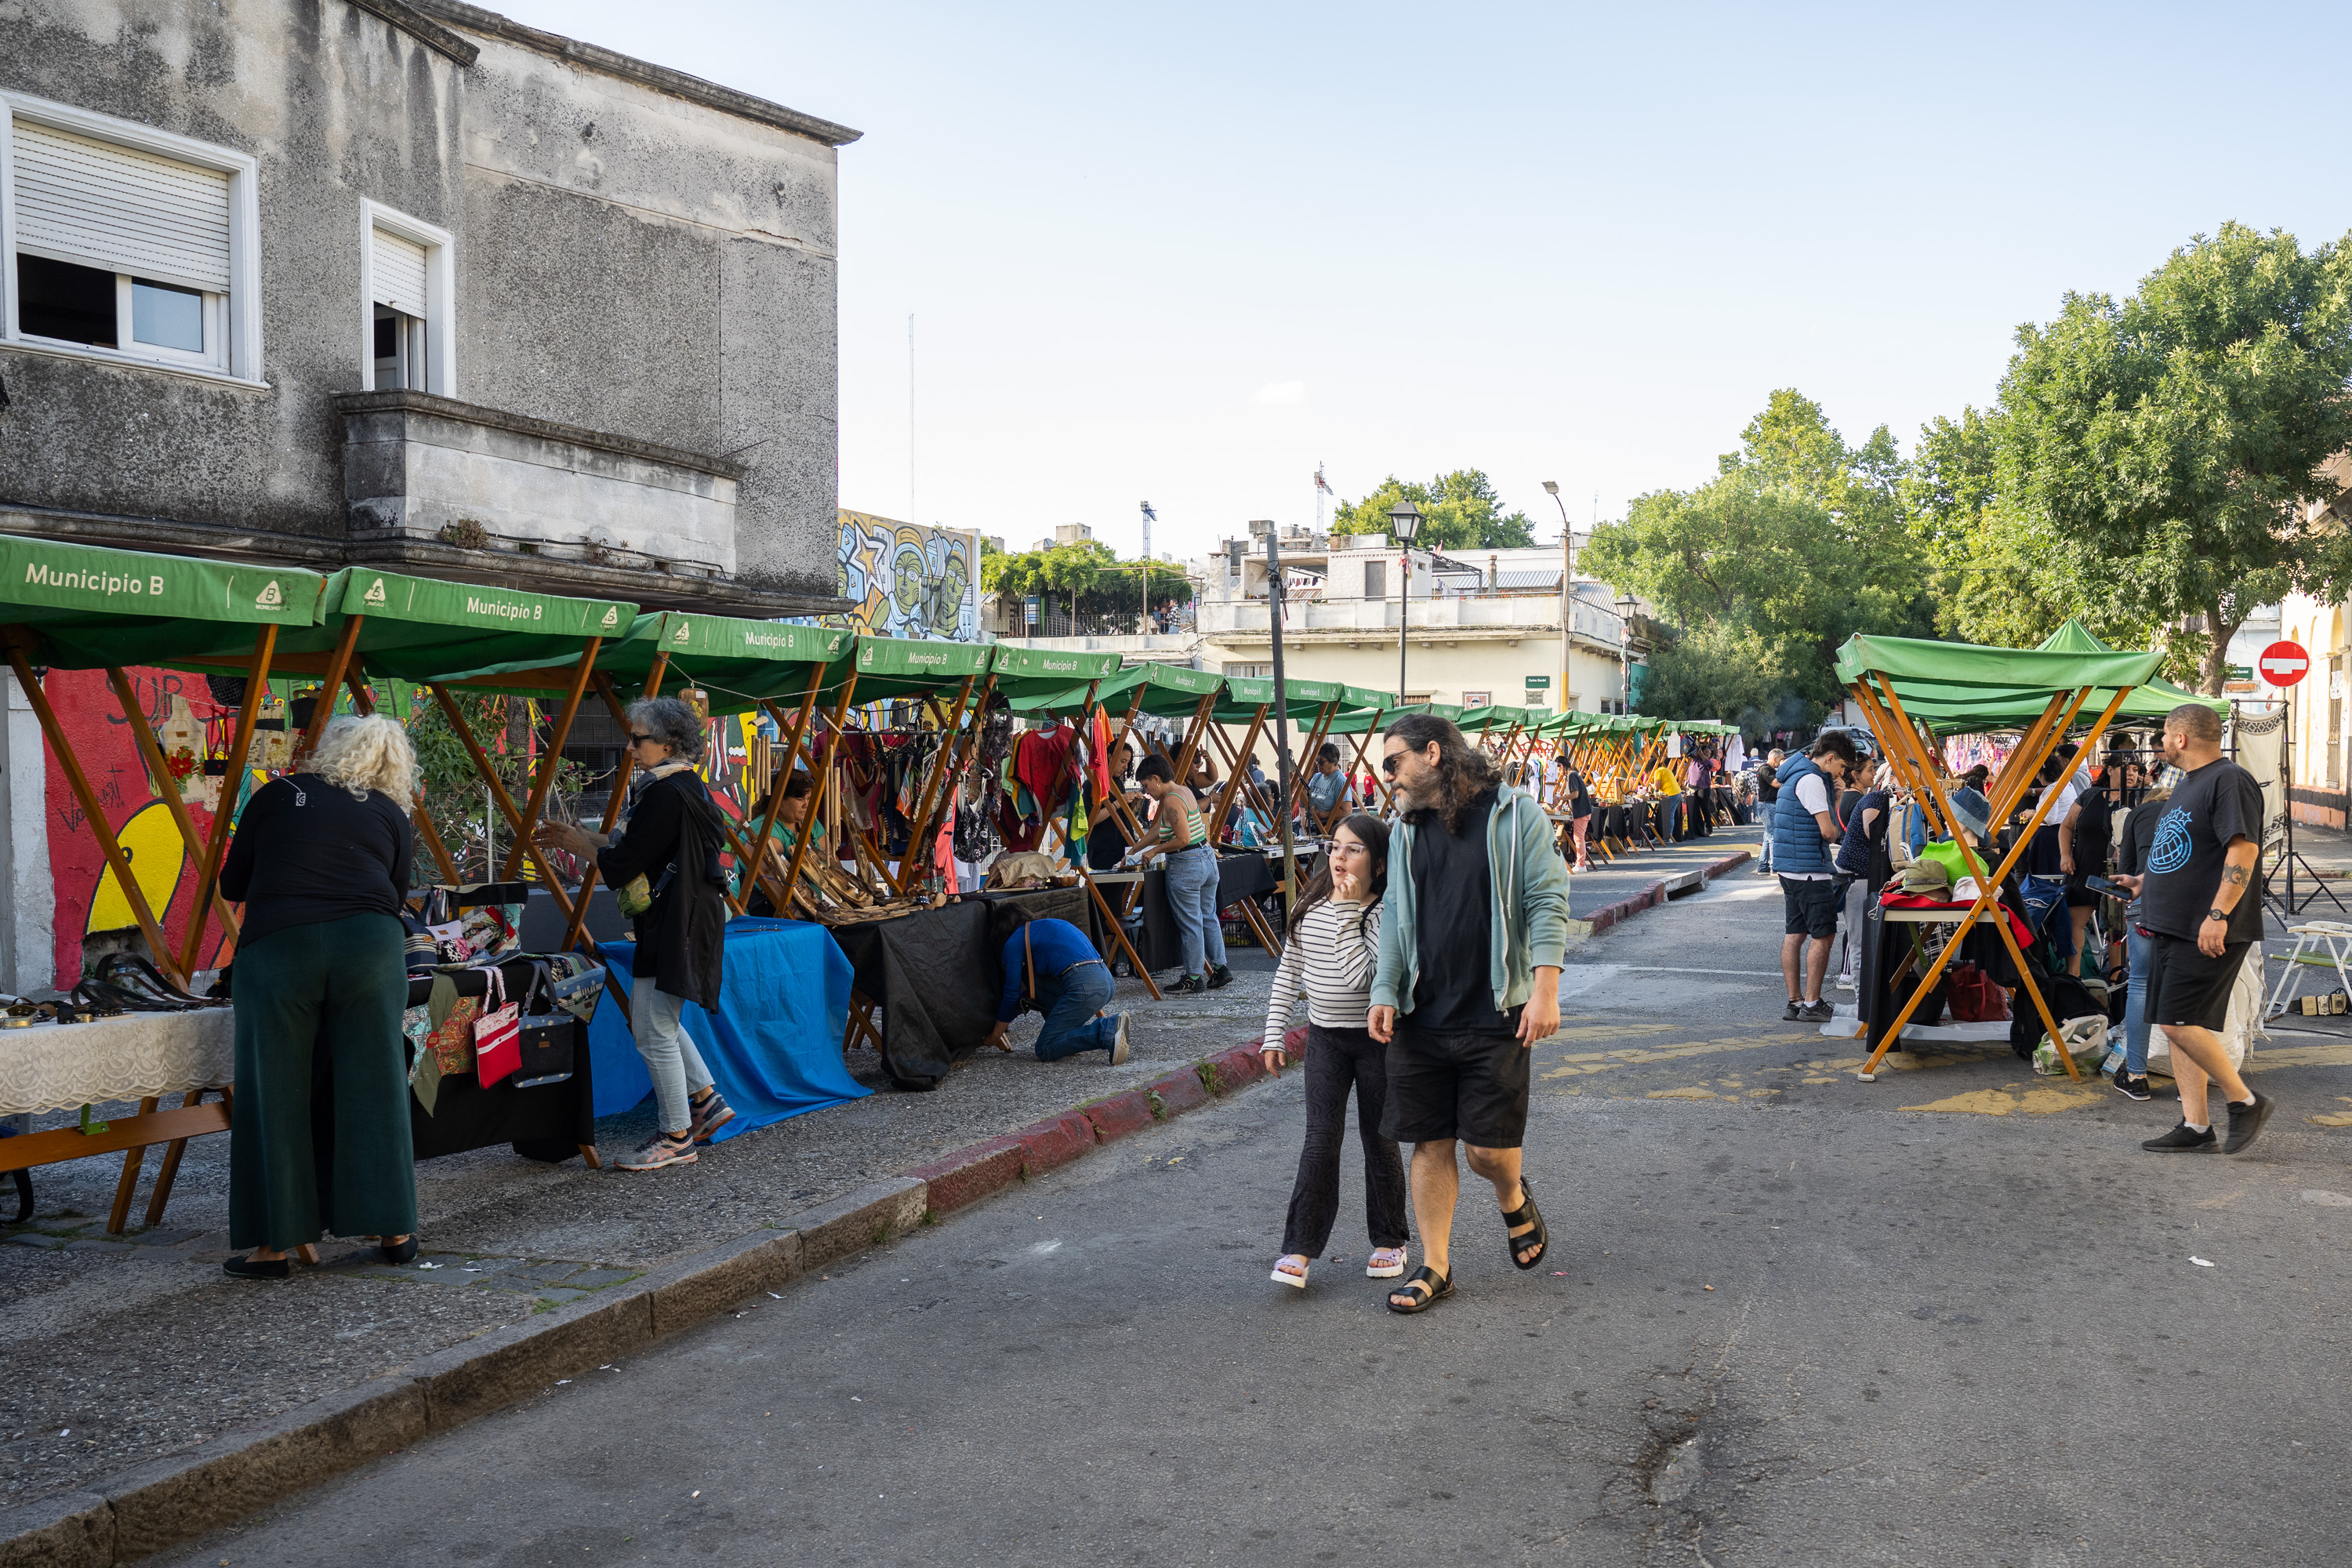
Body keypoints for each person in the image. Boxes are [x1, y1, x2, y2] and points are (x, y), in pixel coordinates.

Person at [1367, 714, 1570, 1314]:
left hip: (1495, 1009)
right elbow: (1398, 912)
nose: (1390, 777)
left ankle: (1511, 1195)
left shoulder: (1516, 817)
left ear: (1433, 754)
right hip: (1422, 1013)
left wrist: (1546, 990)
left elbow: (1547, 899)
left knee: (1486, 1152)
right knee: (1429, 1142)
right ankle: (1436, 1266)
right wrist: (1385, 988)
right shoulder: (1405, 829)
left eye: (1394, 761)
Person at [220, 715, 421, 1279]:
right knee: (377, 1080)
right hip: (371, 948)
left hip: (282, 944)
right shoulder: (391, 812)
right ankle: (395, 1230)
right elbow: (397, 893)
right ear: (396, 767)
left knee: (274, 1089)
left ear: (328, 749)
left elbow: (233, 885)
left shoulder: (279, 793)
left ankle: (273, 1248)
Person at [537, 697, 734, 1171]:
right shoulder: (683, 786)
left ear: (668, 742)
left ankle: (676, 1136)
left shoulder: (666, 792)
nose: (628, 747)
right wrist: (588, 840)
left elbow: (622, 866)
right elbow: (638, 845)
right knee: (658, 1024)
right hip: (679, 918)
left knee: (653, 1031)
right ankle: (705, 1101)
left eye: (638, 738)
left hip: (675, 922)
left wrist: (580, 846)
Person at [2112, 704, 2274, 1154]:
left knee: (2178, 1023)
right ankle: (2196, 1126)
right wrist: (2145, 882)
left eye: (2165, 734)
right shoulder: (2190, 784)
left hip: (2206, 928)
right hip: (2172, 924)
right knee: (2178, 1025)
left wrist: (2218, 915)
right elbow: (2190, 851)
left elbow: (2242, 852)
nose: (2161, 743)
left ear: (2181, 738)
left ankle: (2245, 1100)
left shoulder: (2229, 780)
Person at [1260, 815, 1406, 1289]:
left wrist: (1348, 914)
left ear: (1379, 864)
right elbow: (1290, 970)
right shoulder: (1313, 905)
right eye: (1335, 846)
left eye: (1354, 849)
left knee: (1379, 1139)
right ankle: (1299, 1247)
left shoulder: (1384, 913)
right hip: (1325, 1039)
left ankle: (1389, 1239)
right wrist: (1274, 1032)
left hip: (1376, 1041)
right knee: (1320, 1139)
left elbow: (1359, 978)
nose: (1339, 857)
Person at [1772, 731, 1857, 1023]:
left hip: (1789, 868)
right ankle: (1812, 1003)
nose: (1842, 773)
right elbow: (1829, 831)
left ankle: (1795, 1002)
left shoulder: (1795, 774)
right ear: (1830, 758)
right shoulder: (1811, 780)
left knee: (1795, 934)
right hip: (1810, 870)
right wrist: (1838, 798)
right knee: (1824, 933)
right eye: (1842, 767)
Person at [1129, 754, 1232, 993]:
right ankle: (1220, 968)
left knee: (1191, 922)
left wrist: (1155, 851)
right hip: (1206, 860)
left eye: (1146, 786)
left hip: (1187, 864)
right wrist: (1135, 848)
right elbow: (1159, 829)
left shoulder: (1171, 801)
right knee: (1208, 916)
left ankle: (1193, 977)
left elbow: (1182, 838)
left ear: (1156, 778)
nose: (1147, 792)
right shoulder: (1184, 791)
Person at [982, 906, 1130, 1064]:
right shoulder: (1051, 924)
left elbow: (1011, 994)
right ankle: (1068, 1037)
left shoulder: (1014, 940)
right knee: (1035, 980)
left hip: (1085, 985)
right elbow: (1031, 990)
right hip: (1106, 980)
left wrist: (994, 1036)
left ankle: (1105, 1030)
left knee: (1044, 1048)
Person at [2110, 769, 2176, 1101]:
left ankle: (2136, 1074)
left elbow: (2127, 866)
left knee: (2139, 985)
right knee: (2182, 989)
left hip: (2144, 905)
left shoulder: (2137, 813)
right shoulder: (2185, 813)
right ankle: (2188, 1083)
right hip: (2182, 908)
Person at [1831, 757, 1891, 991]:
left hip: (1860, 876)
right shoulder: (1873, 799)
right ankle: (1860, 998)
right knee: (1859, 939)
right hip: (1855, 877)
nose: (1873, 773)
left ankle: (1862, 993)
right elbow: (1874, 837)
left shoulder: (1864, 798)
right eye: (1870, 769)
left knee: (1860, 938)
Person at [1560, 757, 1595, 872]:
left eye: (1558, 769)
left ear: (1562, 766)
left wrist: (1560, 798)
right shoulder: (1571, 776)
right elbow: (1568, 794)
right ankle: (1581, 863)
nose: (1559, 773)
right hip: (1582, 810)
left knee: (1578, 838)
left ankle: (1581, 864)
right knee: (1578, 838)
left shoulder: (1572, 775)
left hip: (1581, 811)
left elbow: (1575, 794)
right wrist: (1560, 804)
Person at [1305, 742, 1349, 825]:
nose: (1318, 765)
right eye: (1317, 761)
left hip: (1329, 828)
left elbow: (1347, 811)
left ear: (1332, 762)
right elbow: (1304, 798)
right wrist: (1306, 778)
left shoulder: (1340, 781)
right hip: (1314, 826)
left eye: (1321, 762)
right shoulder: (1316, 777)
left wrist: (1320, 814)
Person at [1755, 749, 1783, 873]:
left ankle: (1762, 865)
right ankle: (1774, 866)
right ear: (1775, 759)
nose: (1782, 762)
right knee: (1772, 836)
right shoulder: (1765, 769)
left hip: (1769, 804)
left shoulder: (1770, 770)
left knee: (1767, 836)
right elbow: (1776, 783)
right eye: (1781, 759)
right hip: (1767, 805)